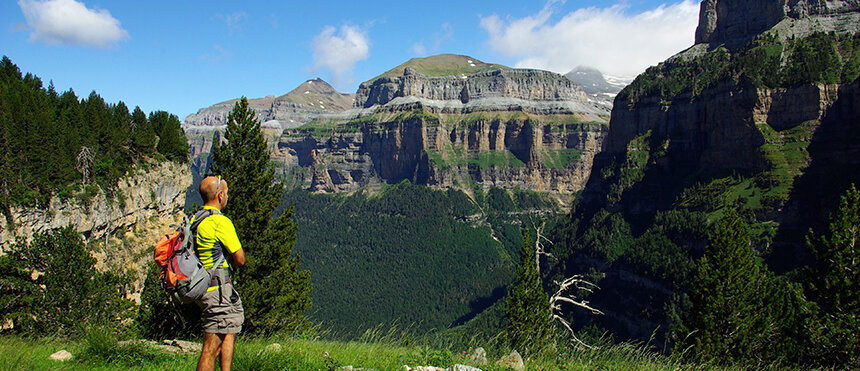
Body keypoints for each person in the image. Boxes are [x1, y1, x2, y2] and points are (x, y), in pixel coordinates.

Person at [194, 175, 246, 371]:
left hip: (202, 286)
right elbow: (240, 258)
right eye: (226, 193)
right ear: (220, 195)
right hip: (217, 289)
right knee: (211, 346)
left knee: (229, 331)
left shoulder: (196, 218)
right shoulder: (219, 222)